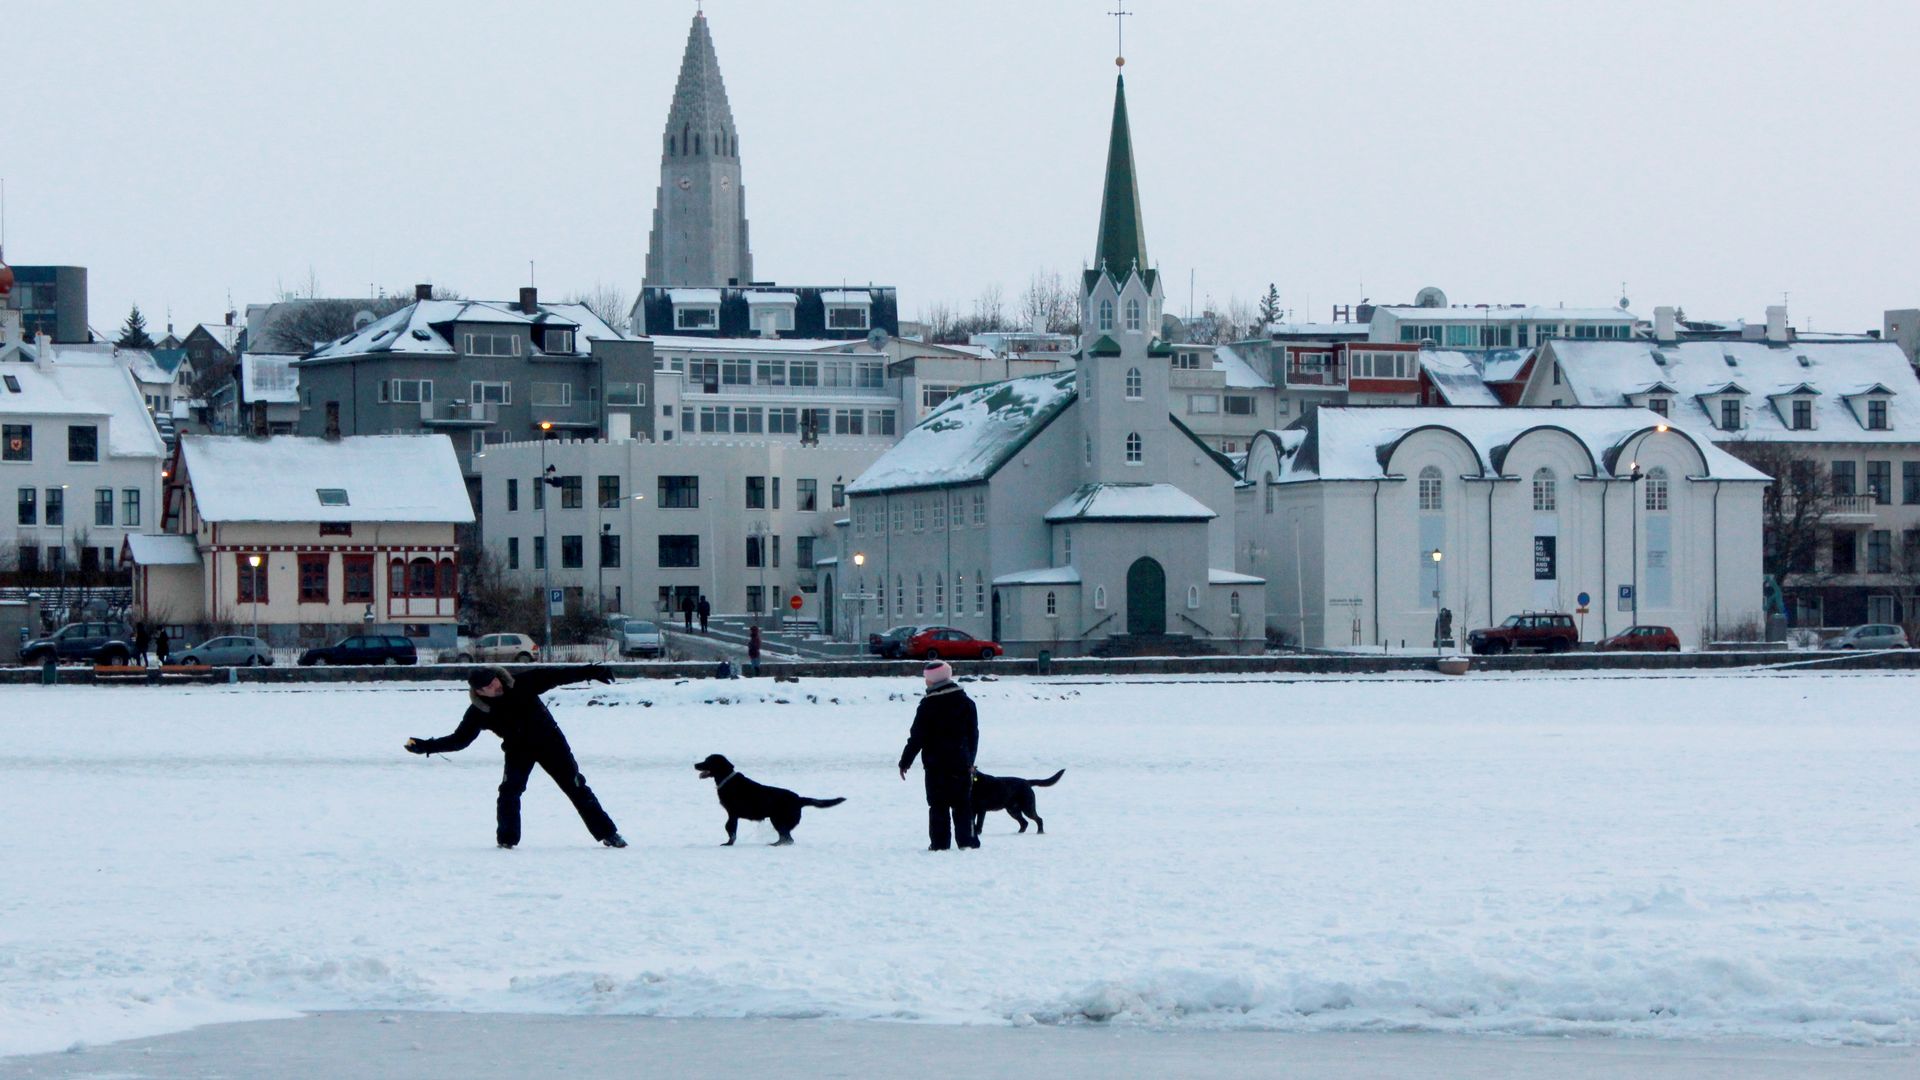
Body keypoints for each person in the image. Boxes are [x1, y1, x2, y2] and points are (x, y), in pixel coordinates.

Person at [405, 664, 627, 849]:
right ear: (479, 692)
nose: (495, 686)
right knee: (509, 792)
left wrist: (592, 671)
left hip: (551, 743)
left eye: (494, 681)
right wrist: (427, 746)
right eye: (488, 686)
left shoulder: (522, 683)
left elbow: (557, 675)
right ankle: (506, 841)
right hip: (517, 749)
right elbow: (460, 740)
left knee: (576, 786)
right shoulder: (479, 711)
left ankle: (609, 834)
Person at [898, 659, 979, 850]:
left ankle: (940, 845)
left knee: (938, 806)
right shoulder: (967, 703)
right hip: (961, 762)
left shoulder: (928, 706)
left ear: (932, 681)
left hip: (936, 765)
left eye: (926, 678)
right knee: (962, 805)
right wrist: (970, 760)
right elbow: (973, 735)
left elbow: (917, 737)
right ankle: (967, 843)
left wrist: (905, 761)